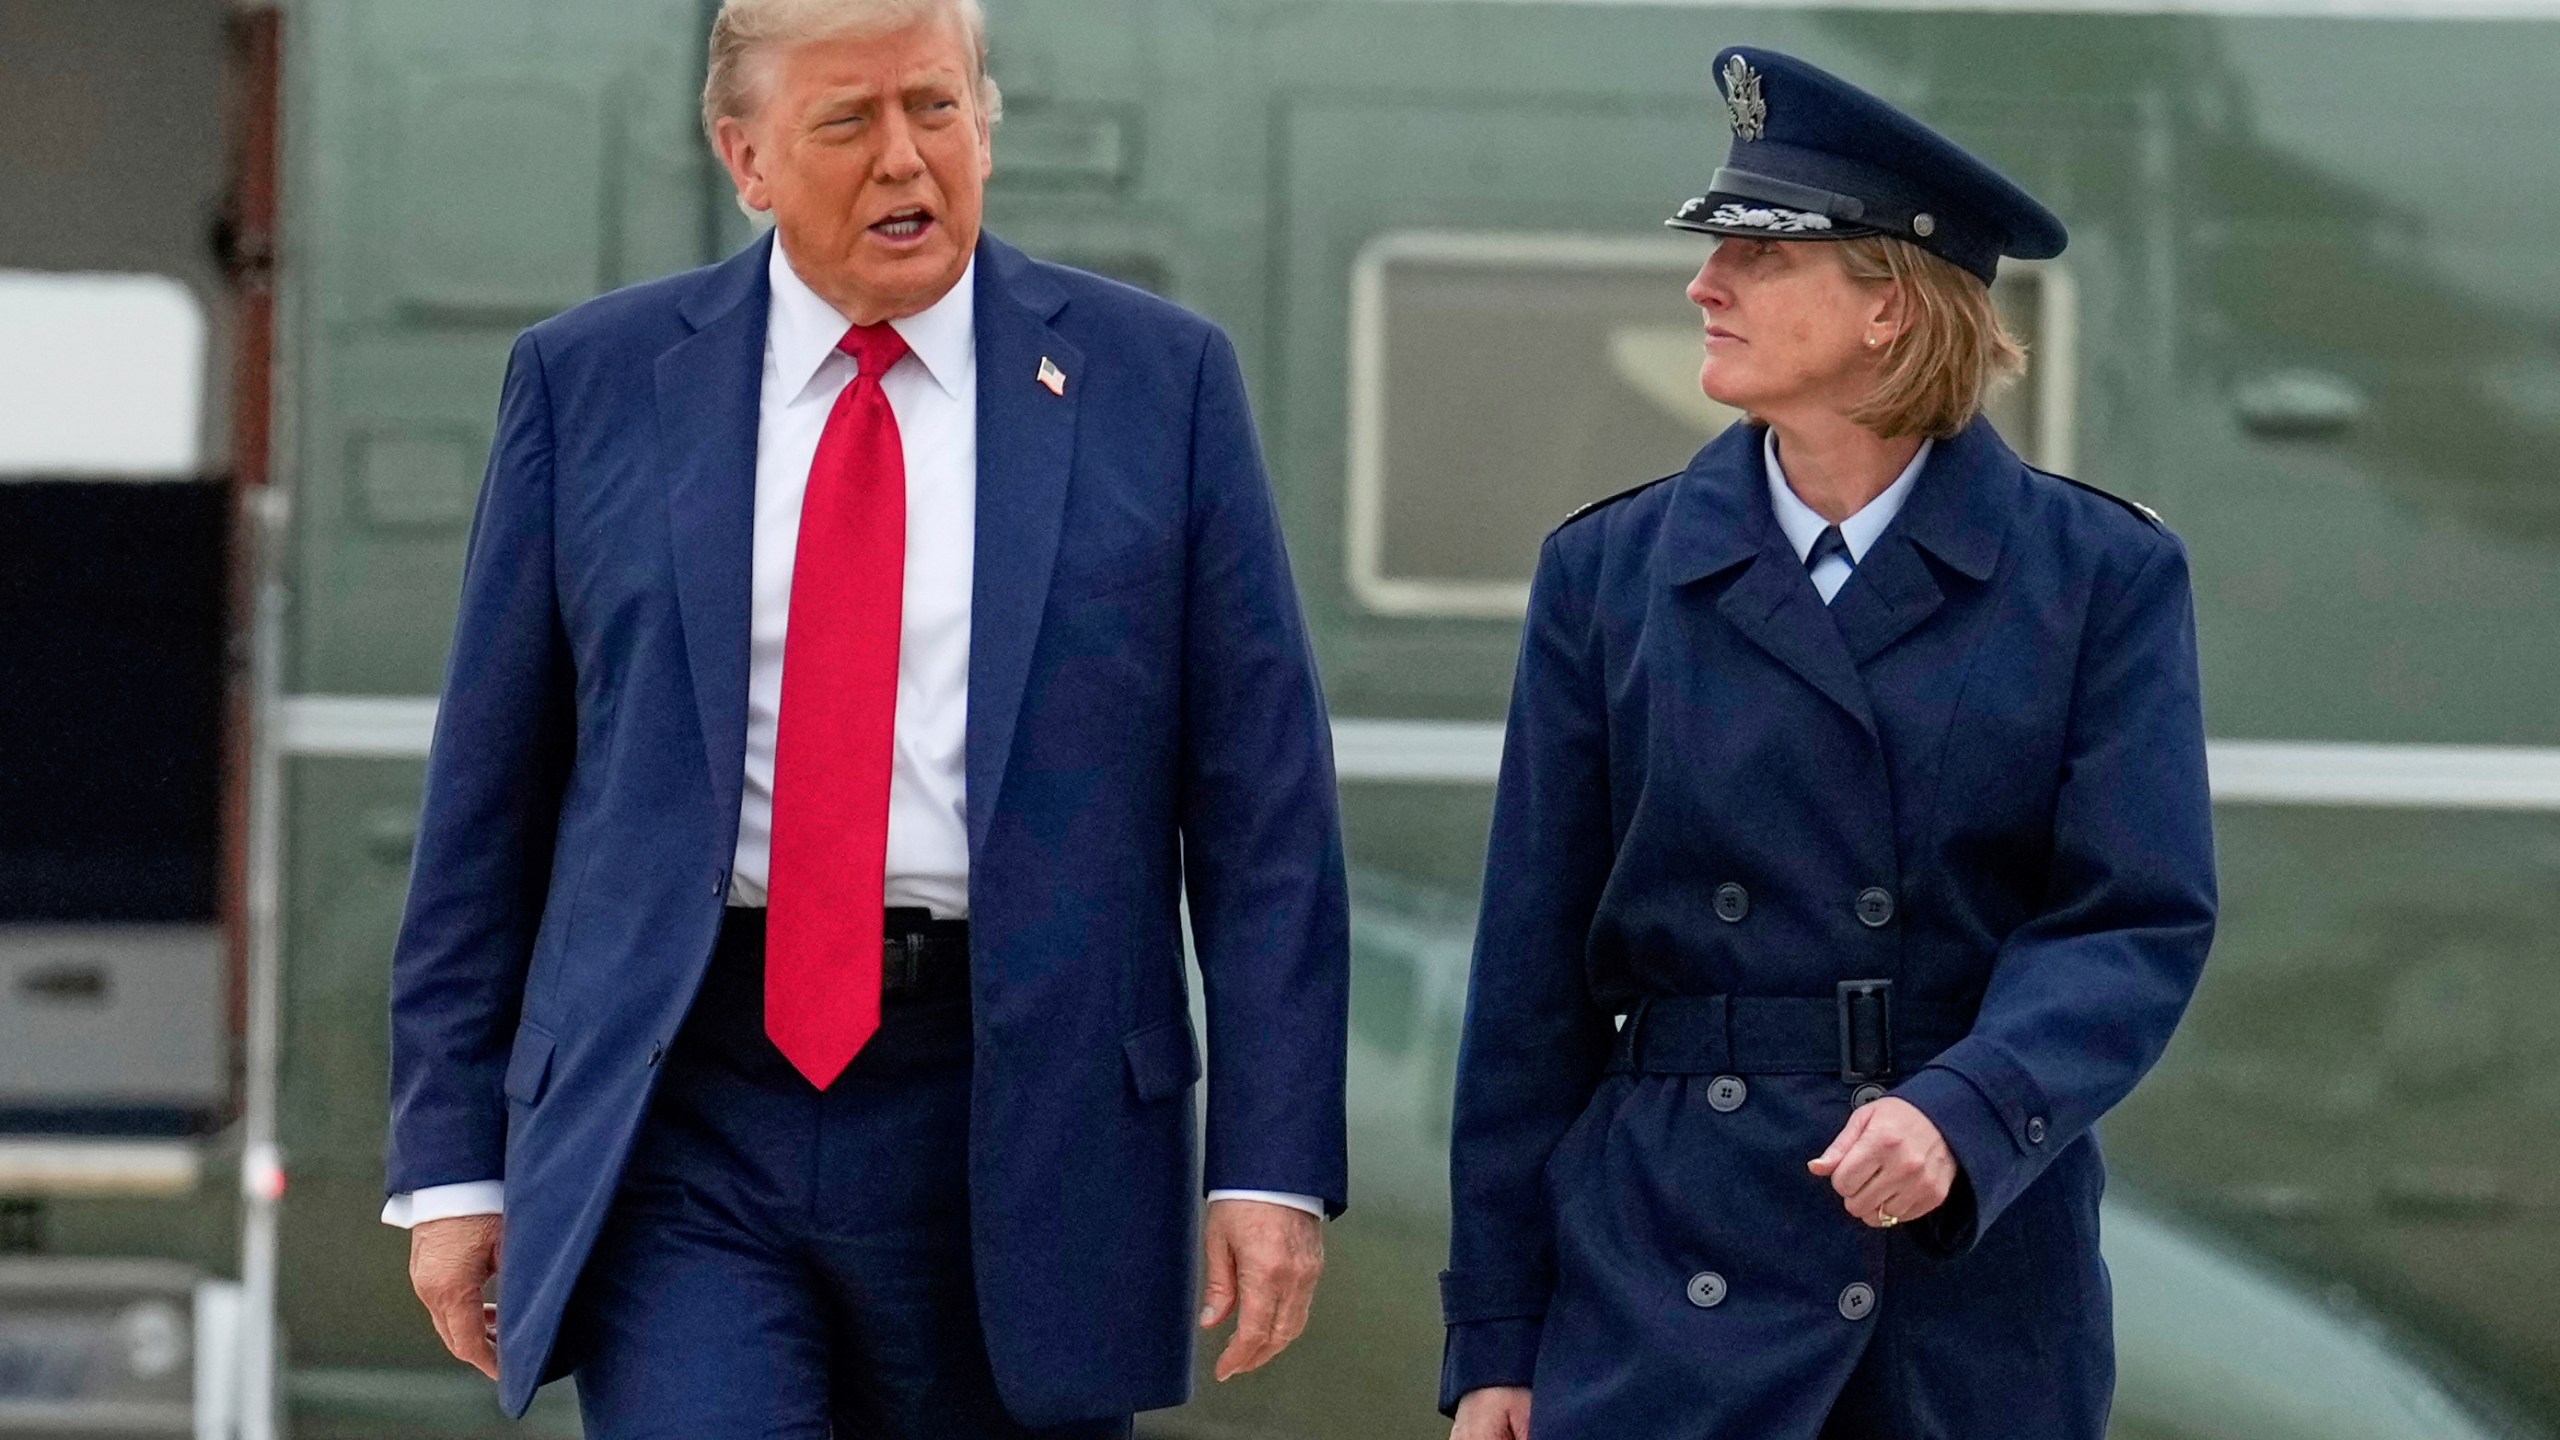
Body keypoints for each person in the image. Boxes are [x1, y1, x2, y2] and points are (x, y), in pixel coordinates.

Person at [381, 1, 1350, 1434]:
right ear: (748, 159)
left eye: (937, 108)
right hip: (685, 1101)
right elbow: (489, 795)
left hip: (1021, 1108)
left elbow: (1265, 812)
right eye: (848, 121)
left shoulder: (1159, 383)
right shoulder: (592, 383)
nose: (906, 158)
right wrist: (453, 1162)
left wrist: (1269, 1164)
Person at [1440, 46, 2217, 1440]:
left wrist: (1966, 1112)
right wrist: (1497, 1336)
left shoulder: (2098, 577)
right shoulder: (1608, 574)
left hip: (1960, 1282)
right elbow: (1527, 991)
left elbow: (2133, 920)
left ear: (1887, 305)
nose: (1705, 285)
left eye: (1760, 254)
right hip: (1663, 1275)